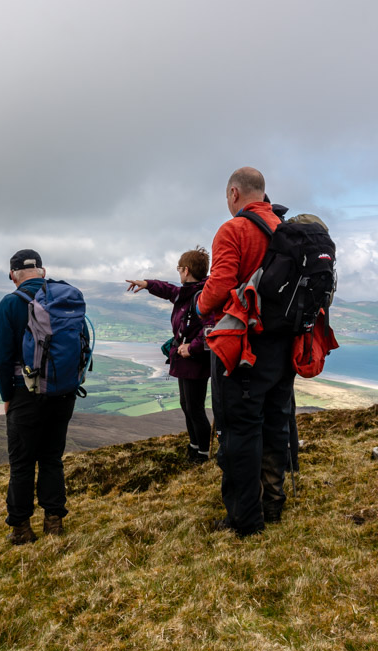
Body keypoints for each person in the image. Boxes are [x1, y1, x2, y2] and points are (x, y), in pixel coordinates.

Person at [197, 167, 296, 536]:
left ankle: (245, 519)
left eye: (227, 197)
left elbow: (220, 284)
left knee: (240, 433)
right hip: (284, 348)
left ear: (234, 193)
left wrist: (199, 307)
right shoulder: (286, 230)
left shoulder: (234, 229)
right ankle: (272, 503)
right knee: (275, 425)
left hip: (243, 349)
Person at [0, 249, 78, 545]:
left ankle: (21, 529)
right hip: (63, 392)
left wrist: (6, 396)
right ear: (42, 271)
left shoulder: (10, 303)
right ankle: (54, 521)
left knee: (23, 463)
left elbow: (1, 358)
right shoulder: (63, 297)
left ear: (12, 275)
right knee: (52, 458)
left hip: (24, 393)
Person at [125, 247, 213, 464]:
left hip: (195, 360)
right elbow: (169, 290)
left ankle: (202, 453)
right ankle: (194, 446)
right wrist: (147, 284)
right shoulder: (187, 293)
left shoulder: (204, 296)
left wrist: (191, 348)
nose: (178, 273)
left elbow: (211, 330)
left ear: (186, 270)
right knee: (186, 404)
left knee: (195, 407)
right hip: (185, 359)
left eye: (179, 269)